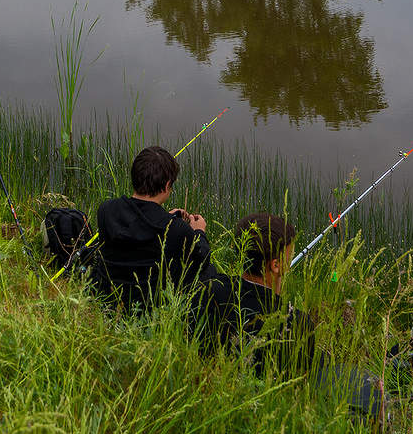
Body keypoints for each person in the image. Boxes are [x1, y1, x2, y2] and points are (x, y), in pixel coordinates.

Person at [196, 212, 383, 421]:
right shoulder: (295, 321)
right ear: (275, 265)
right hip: (269, 414)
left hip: (216, 404)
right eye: (289, 252)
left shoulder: (210, 290)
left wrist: (197, 233)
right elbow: (299, 384)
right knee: (371, 386)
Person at [91, 145, 214, 312]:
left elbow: (137, 223)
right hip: (149, 309)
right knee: (210, 272)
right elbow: (201, 261)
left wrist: (166, 217)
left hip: (110, 298)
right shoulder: (176, 229)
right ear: (166, 186)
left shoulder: (106, 210)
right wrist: (199, 231)